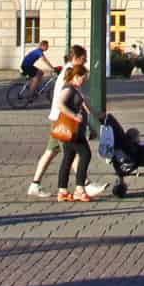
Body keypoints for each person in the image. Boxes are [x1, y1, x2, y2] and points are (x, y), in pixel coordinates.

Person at [28, 44, 91, 197]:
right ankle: (84, 186)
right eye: (83, 59)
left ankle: (36, 184)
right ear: (75, 58)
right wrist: (75, 115)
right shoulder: (70, 73)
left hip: (60, 119)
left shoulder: (71, 71)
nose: (85, 61)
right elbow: (64, 98)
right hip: (63, 121)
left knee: (53, 152)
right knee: (76, 152)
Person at [51, 63, 96, 201]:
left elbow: (84, 104)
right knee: (85, 154)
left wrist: (95, 114)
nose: (85, 80)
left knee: (68, 158)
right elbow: (60, 104)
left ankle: (62, 191)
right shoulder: (69, 89)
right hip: (72, 130)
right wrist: (74, 116)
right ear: (76, 77)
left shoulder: (75, 89)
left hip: (74, 131)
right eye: (83, 78)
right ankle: (79, 189)